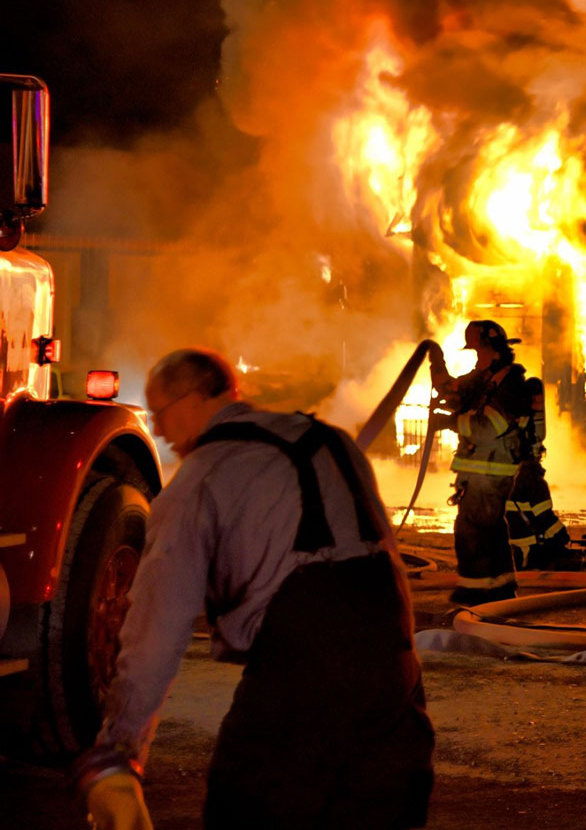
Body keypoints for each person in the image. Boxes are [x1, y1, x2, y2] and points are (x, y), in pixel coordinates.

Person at [74, 349, 433, 830]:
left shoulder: (199, 480)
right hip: (395, 677)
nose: (158, 431)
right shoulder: (332, 442)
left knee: (246, 808)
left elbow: (155, 631)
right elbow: (384, 557)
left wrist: (118, 750)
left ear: (194, 398)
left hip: (301, 680)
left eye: (159, 413)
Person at [430, 319, 554, 602]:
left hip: (492, 471)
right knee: (491, 529)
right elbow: (455, 393)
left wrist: (449, 422)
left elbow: (487, 428)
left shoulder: (510, 385)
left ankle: (473, 596)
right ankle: (499, 589)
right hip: (479, 471)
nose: (475, 359)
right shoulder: (485, 380)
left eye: (477, 352)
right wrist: (436, 365)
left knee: (472, 530)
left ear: (494, 350)